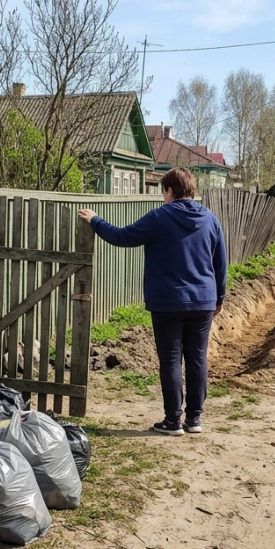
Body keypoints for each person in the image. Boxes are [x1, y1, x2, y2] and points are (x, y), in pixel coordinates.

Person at [77, 168, 227, 436]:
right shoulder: (210, 220)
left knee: (170, 360)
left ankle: (173, 421)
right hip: (203, 300)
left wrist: (96, 220)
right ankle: (194, 419)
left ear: (170, 191)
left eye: (163, 192)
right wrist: (220, 297)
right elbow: (220, 264)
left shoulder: (161, 217)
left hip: (168, 300)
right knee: (197, 359)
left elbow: (122, 237)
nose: (163, 197)